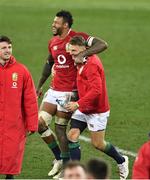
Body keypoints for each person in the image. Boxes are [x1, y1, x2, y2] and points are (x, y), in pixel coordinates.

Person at [36, 10, 108, 177]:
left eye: (56, 23)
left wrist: (83, 53)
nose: (53, 25)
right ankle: (59, 159)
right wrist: (39, 85)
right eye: (53, 22)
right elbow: (49, 63)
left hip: (69, 92)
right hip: (54, 90)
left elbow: (102, 44)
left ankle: (68, 167)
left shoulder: (78, 37)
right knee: (39, 123)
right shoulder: (53, 41)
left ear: (65, 25)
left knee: (60, 128)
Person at [65, 36, 129, 180]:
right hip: (84, 107)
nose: (71, 54)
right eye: (71, 51)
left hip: (97, 110)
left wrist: (77, 104)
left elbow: (96, 91)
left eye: (74, 51)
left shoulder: (92, 64)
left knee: (98, 144)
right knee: (72, 136)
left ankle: (122, 160)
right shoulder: (80, 60)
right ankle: (75, 174)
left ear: (83, 49)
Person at [0, 36, 38, 179]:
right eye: (3, 48)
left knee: (12, 158)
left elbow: (30, 100)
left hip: (14, 124)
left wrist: (32, 124)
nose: (7, 50)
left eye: (9, 47)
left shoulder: (21, 71)